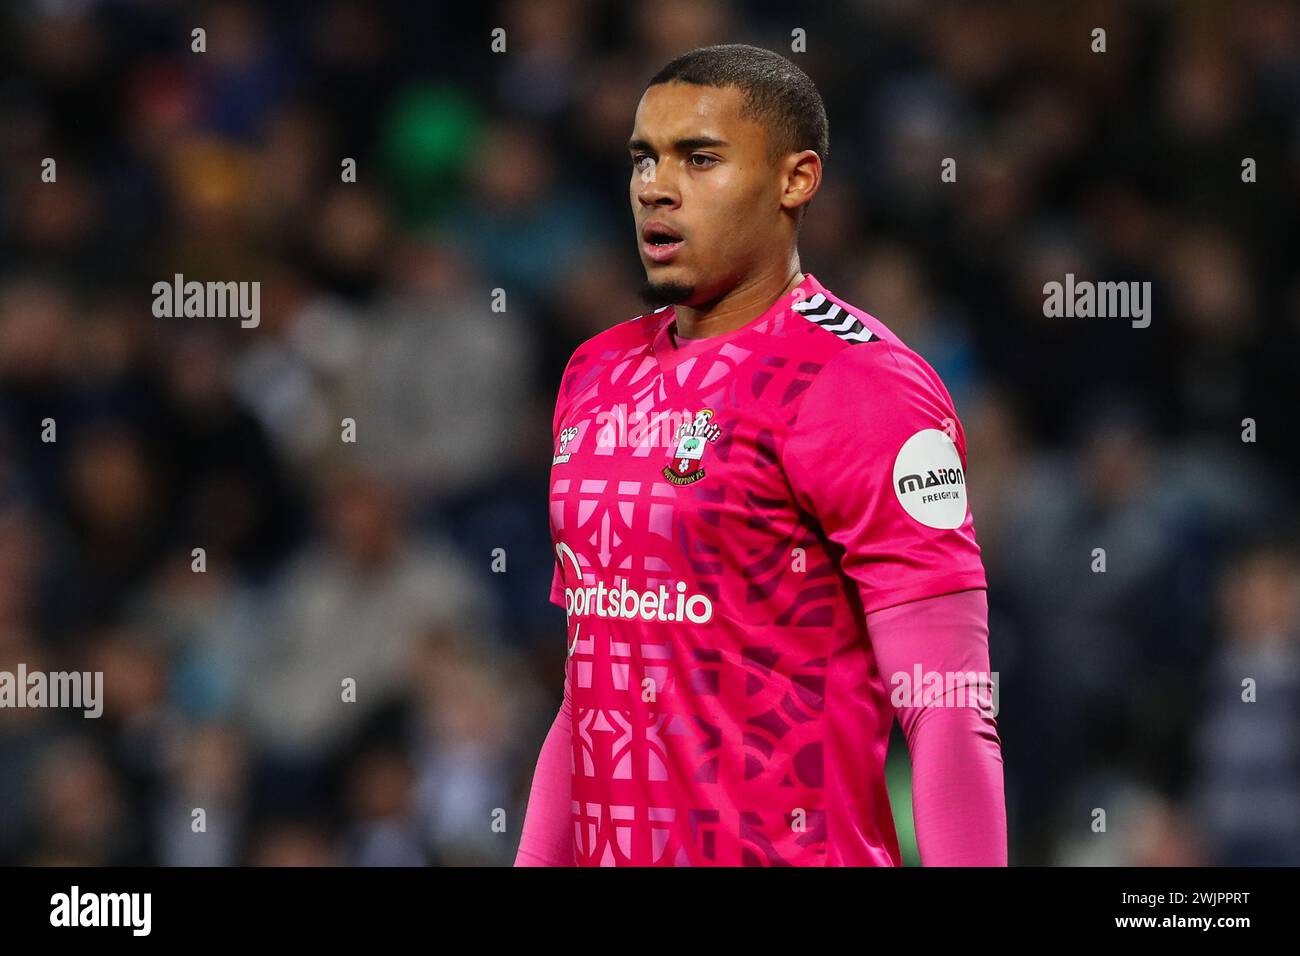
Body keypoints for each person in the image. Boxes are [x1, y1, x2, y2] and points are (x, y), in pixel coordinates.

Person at [516, 43, 1005, 866]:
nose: (656, 188)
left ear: (796, 179)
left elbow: (947, 704)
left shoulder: (864, 386)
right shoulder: (593, 374)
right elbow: (591, 684)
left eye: (699, 158)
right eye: (644, 159)